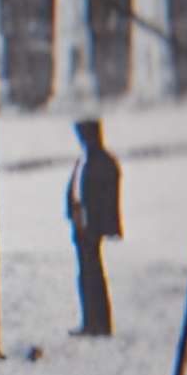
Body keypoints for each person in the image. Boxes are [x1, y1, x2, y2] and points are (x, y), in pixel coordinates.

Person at [67, 117, 123, 337]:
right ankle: (90, 320)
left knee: (92, 274)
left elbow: (105, 198)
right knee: (86, 274)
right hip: (81, 224)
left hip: (92, 227)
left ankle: (98, 323)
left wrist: (99, 225)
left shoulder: (102, 162)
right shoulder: (86, 160)